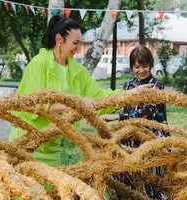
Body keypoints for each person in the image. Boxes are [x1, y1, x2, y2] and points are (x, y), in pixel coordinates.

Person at [9, 15, 152, 167]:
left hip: (53, 145)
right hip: (27, 143)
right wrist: (77, 103)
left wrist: (129, 94)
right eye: (75, 43)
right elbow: (37, 104)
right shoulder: (38, 64)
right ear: (59, 39)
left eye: (80, 43)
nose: (79, 48)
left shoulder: (77, 70)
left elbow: (100, 97)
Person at [100, 45, 170, 199]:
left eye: (145, 66)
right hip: (131, 137)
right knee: (130, 176)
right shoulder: (128, 85)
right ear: (132, 67)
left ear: (151, 65)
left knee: (151, 177)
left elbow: (146, 113)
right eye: (137, 66)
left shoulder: (157, 86)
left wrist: (117, 117)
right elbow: (127, 110)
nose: (141, 70)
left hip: (152, 137)